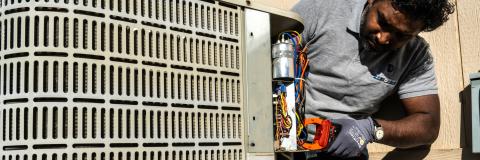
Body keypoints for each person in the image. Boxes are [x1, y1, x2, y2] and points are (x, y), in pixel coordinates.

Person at [292, 0, 455, 159]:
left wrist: (371, 129)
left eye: (401, 35)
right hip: (285, 140)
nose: (383, 38)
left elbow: (428, 126)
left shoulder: (415, 55)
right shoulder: (321, 8)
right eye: (383, 22)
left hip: (344, 150)